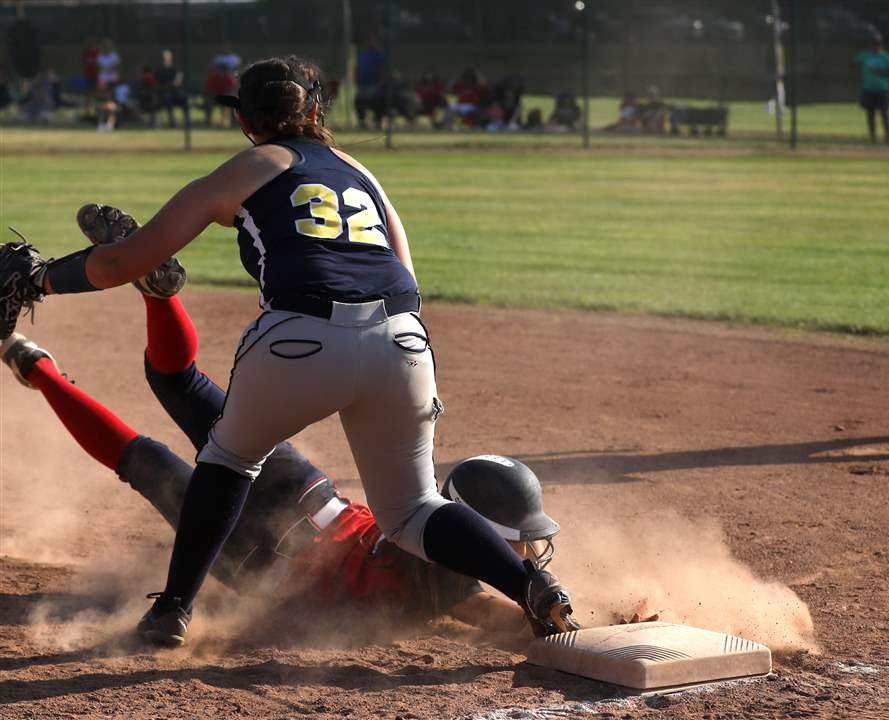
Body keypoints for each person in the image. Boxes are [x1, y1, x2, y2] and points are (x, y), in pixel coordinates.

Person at [0, 55, 579, 646]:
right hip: (402, 342)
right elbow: (405, 280)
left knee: (225, 462)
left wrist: (38, 279)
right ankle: (532, 585)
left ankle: (173, 609)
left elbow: (123, 259)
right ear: (317, 110)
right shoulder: (364, 176)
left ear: (246, 120)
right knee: (413, 508)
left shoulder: (249, 166)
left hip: (302, 339)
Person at [0, 260, 561, 637]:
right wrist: (575, 619)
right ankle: (39, 368)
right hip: (259, 557)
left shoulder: (428, 528)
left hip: (302, 486)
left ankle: (154, 301)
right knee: (141, 459)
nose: (525, 556)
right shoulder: (454, 584)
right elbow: (512, 621)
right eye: (518, 546)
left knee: (181, 385)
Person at [853, 33, 889, 143]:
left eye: (878, 43)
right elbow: (853, 63)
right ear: (871, 44)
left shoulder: (886, 57)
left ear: (881, 44)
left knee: (884, 114)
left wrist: (877, 71)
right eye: (874, 43)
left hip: (882, 89)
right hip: (868, 88)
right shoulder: (865, 55)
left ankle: (888, 138)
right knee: (870, 114)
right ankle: (873, 138)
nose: (876, 45)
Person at [154, 49, 185, 129]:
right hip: (164, 92)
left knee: (183, 97)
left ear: (171, 57)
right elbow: (157, 81)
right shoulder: (159, 68)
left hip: (175, 91)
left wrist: (173, 85)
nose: (166, 57)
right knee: (167, 98)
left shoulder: (176, 67)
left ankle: (186, 121)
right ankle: (171, 121)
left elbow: (178, 81)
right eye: (165, 56)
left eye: (168, 55)